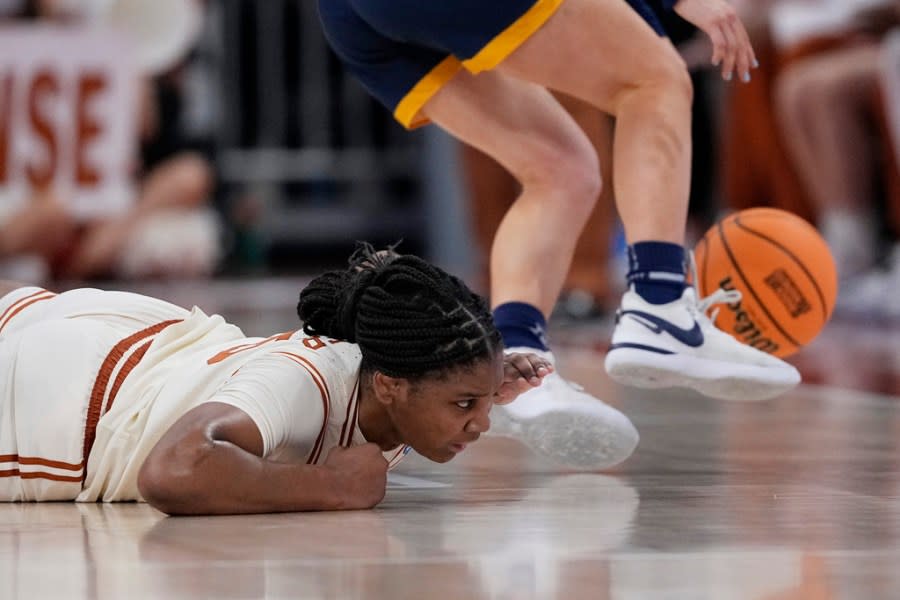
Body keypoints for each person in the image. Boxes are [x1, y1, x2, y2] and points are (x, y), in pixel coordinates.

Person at [316, 0, 801, 419]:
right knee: (656, 81)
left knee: (562, 169)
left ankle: (520, 364)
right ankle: (661, 306)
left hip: (352, 14)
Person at [0, 244, 643, 514]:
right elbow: (171, 469)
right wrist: (331, 488)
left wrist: (481, 378)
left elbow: (424, 381)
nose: (480, 422)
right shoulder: (303, 383)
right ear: (391, 382)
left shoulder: (391, 383)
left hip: (129, 344)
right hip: (63, 400)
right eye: (464, 404)